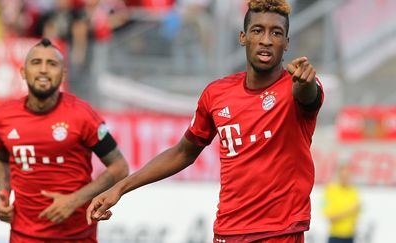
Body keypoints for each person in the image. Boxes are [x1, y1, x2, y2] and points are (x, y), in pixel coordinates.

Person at [87, 0, 324, 242]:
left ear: (286, 43)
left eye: (276, 33)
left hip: (279, 232)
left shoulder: (296, 87)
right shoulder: (217, 94)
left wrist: (305, 85)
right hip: (227, 231)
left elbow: (309, 96)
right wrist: (120, 188)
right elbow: (183, 152)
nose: (266, 39)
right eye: (257, 30)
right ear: (243, 37)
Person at [0, 38, 129, 242]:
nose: (44, 70)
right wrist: (3, 193)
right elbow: (2, 160)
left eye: (52, 64)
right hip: (23, 235)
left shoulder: (82, 114)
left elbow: (119, 167)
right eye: (36, 62)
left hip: (77, 235)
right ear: (23, 72)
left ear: (63, 74)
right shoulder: (3, 117)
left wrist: (75, 200)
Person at [323, 164, 361, 243]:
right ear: (338, 176)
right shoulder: (330, 190)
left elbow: (357, 213)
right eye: (343, 176)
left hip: (350, 236)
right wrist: (349, 211)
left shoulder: (353, 191)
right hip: (335, 236)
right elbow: (330, 217)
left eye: (347, 176)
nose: (345, 179)